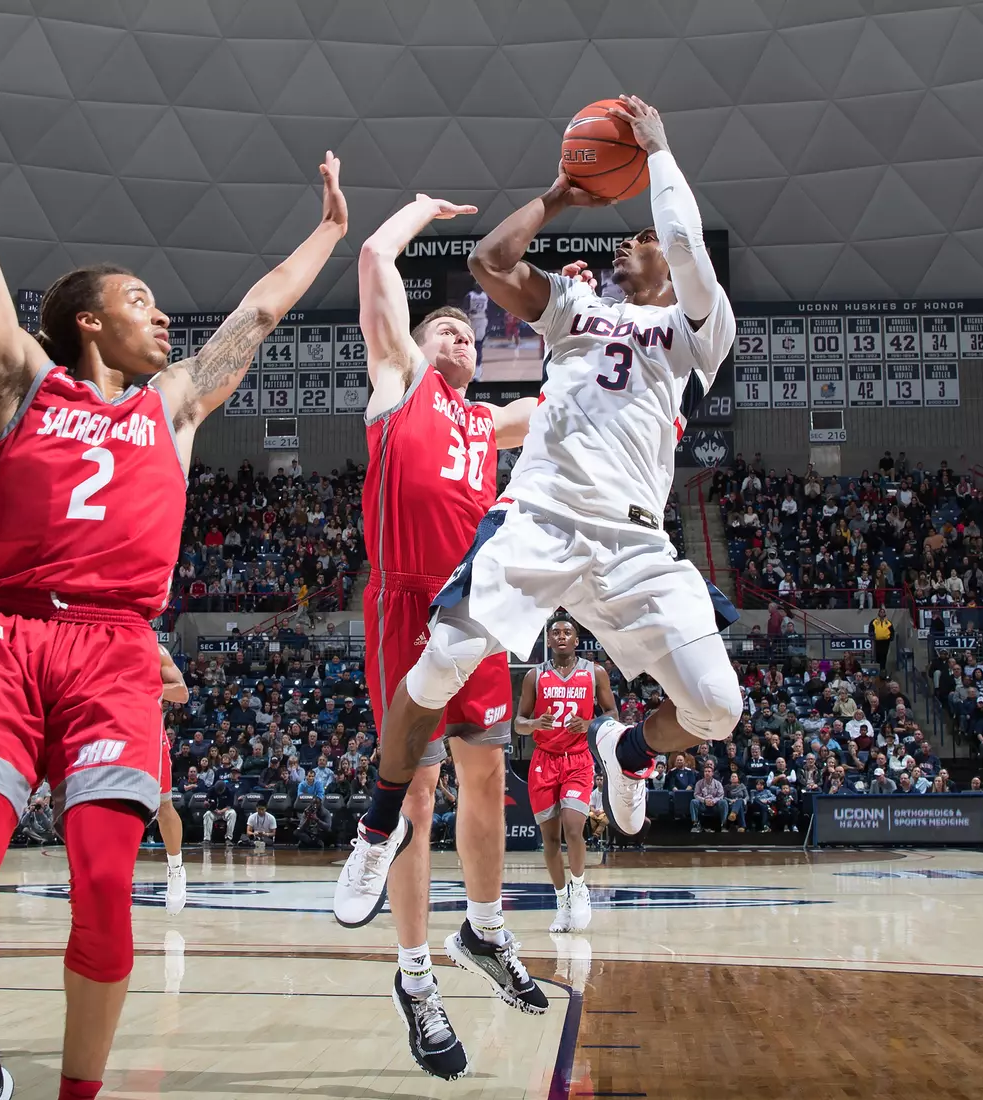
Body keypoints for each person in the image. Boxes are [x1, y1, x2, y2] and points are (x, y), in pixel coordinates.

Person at [0, 42, 347, 1100]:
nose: (163, 315)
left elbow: (262, 312)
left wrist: (328, 228)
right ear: (88, 319)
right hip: (9, 640)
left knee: (104, 885)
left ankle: (79, 1091)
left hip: (115, 650)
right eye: (140, 299)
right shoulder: (21, 381)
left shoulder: (175, 406)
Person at [335, 98, 741, 1011]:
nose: (633, 240)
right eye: (630, 231)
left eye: (643, 236)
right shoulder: (574, 308)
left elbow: (685, 247)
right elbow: (487, 263)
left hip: (636, 538)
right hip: (544, 514)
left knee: (717, 709)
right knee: (438, 667)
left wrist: (662, 151)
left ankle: (625, 746)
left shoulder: (692, 330)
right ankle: (373, 831)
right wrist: (560, 193)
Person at [332, 187, 549, 1079]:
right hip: (404, 609)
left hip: (477, 608)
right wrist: (419, 210)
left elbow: (563, 400)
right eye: (444, 331)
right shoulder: (399, 384)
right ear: (414, 347)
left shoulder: (486, 422)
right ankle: (415, 977)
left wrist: (595, 319)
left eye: (469, 334)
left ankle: (484, 931)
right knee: (415, 798)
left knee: (489, 774)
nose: (459, 340)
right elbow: (374, 264)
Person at [515, 615, 615, 933]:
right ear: (548, 640)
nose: (560, 636)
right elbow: (518, 721)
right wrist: (532, 725)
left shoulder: (594, 672)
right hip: (544, 761)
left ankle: (580, 886)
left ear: (577, 640)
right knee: (550, 839)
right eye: (555, 632)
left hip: (577, 760)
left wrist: (590, 724)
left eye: (566, 632)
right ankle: (562, 902)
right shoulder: (535, 676)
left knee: (574, 828)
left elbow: (613, 712)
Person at [157, 646, 189, 913]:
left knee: (163, 807)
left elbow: (182, 692)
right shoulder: (96, 647)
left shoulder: (154, 651)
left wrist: (148, 688)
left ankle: (175, 867)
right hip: (108, 733)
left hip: (148, 738)